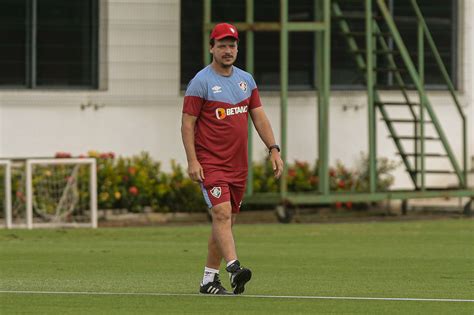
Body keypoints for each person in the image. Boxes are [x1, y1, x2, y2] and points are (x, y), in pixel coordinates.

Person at [181, 22, 284, 295]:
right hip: (211, 163)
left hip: (238, 166)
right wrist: (193, 161)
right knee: (222, 213)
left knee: (224, 222)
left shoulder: (246, 80)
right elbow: (187, 124)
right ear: (211, 48)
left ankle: (208, 281)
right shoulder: (200, 82)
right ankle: (235, 268)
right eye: (222, 45)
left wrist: (273, 148)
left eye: (232, 45)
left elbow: (259, 116)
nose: (228, 50)